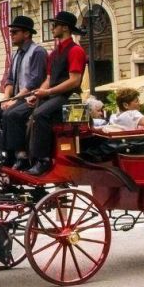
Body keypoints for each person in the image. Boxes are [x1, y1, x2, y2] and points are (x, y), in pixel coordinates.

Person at [23, 11, 88, 176]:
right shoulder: (54, 53)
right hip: (54, 95)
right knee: (28, 114)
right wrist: (37, 94)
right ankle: (26, 157)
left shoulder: (76, 50)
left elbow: (74, 81)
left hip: (69, 97)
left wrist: (48, 91)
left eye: (55, 25)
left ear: (65, 28)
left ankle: (43, 160)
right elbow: (49, 79)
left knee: (40, 114)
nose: (52, 28)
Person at [0, 16, 48, 168]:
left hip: (32, 98)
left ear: (26, 33)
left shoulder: (38, 52)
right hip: (16, 98)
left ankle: (20, 155)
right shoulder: (15, 54)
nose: (11, 34)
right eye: (11, 32)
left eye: (15, 32)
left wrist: (14, 100)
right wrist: (6, 98)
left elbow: (35, 81)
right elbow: (10, 80)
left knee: (10, 114)